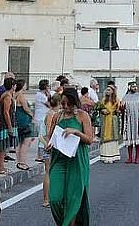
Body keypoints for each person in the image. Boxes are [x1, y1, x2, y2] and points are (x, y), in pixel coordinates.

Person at [48, 87, 93, 226]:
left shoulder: (82, 116)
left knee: (73, 199)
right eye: (63, 103)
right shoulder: (57, 116)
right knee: (54, 198)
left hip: (77, 160)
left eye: (69, 104)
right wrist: (49, 144)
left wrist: (76, 132)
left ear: (75, 103)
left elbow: (90, 139)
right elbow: (50, 138)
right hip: (59, 159)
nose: (66, 107)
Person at [41, 93, 63, 207]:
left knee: (50, 172)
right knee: (48, 172)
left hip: (48, 144)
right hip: (49, 145)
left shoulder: (52, 113)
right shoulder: (52, 114)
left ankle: (50, 197)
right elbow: (50, 131)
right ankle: (46, 199)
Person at [121, 81, 139, 164]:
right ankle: (130, 158)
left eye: (135, 86)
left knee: (138, 139)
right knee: (129, 140)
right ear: (129, 87)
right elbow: (122, 109)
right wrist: (121, 108)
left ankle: (137, 158)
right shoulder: (125, 97)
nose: (134, 88)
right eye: (133, 86)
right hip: (128, 121)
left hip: (138, 120)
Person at [0, 76, 18, 175]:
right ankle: (0, 167)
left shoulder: (7, 95)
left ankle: (1, 166)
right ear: (13, 86)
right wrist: (10, 127)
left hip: (4, 123)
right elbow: (6, 112)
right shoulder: (7, 97)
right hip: (4, 124)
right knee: (2, 147)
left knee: (4, 146)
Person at [95, 84, 122, 163]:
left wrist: (116, 112)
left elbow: (119, 110)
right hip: (105, 120)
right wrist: (102, 111)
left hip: (113, 120)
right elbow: (99, 108)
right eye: (107, 90)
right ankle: (105, 155)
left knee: (113, 135)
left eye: (109, 90)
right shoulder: (103, 100)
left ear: (113, 91)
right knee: (105, 135)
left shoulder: (116, 100)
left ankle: (113, 155)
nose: (107, 91)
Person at [34, 79, 51, 162]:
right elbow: (49, 104)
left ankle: (40, 154)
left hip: (43, 117)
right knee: (41, 136)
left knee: (43, 135)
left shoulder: (42, 95)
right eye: (48, 86)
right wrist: (49, 94)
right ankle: (39, 155)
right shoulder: (40, 95)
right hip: (41, 117)